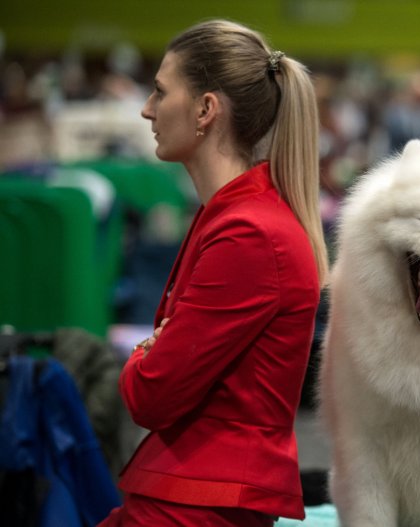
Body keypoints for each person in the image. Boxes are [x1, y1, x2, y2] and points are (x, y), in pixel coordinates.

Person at [98, 19, 329, 526]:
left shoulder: (249, 233)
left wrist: (145, 351)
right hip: (187, 496)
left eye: (160, 92)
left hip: (197, 505)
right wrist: (157, 345)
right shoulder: (233, 217)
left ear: (206, 109)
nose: (147, 109)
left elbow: (150, 395)